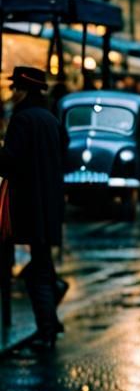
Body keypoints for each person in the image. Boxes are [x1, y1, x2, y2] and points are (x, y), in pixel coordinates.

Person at [0, 66, 69, 348]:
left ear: (24, 90)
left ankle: (47, 330)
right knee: (42, 261)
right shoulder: (51, 120)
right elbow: (64, 153)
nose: (11, 93)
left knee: (37, 270)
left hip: (28, 202)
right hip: (49, 202)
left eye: (15, 87)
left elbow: (9, 162)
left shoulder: (22, 119)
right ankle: (51, 318)